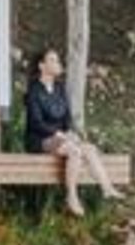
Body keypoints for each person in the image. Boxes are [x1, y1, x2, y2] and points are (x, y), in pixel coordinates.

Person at [25, 45, 115, 214]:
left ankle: (107, 187)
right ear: (42, 66)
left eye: (57, 60)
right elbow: (36, 123)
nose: (57, 63)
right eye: (52, 60)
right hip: (39, 139)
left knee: (88, 149)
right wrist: (57, 134)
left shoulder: (60, 89)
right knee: (75, 151)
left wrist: (68, 132)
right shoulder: (34, 91)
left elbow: (66, 118)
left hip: (61, 139)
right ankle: (71, 196)